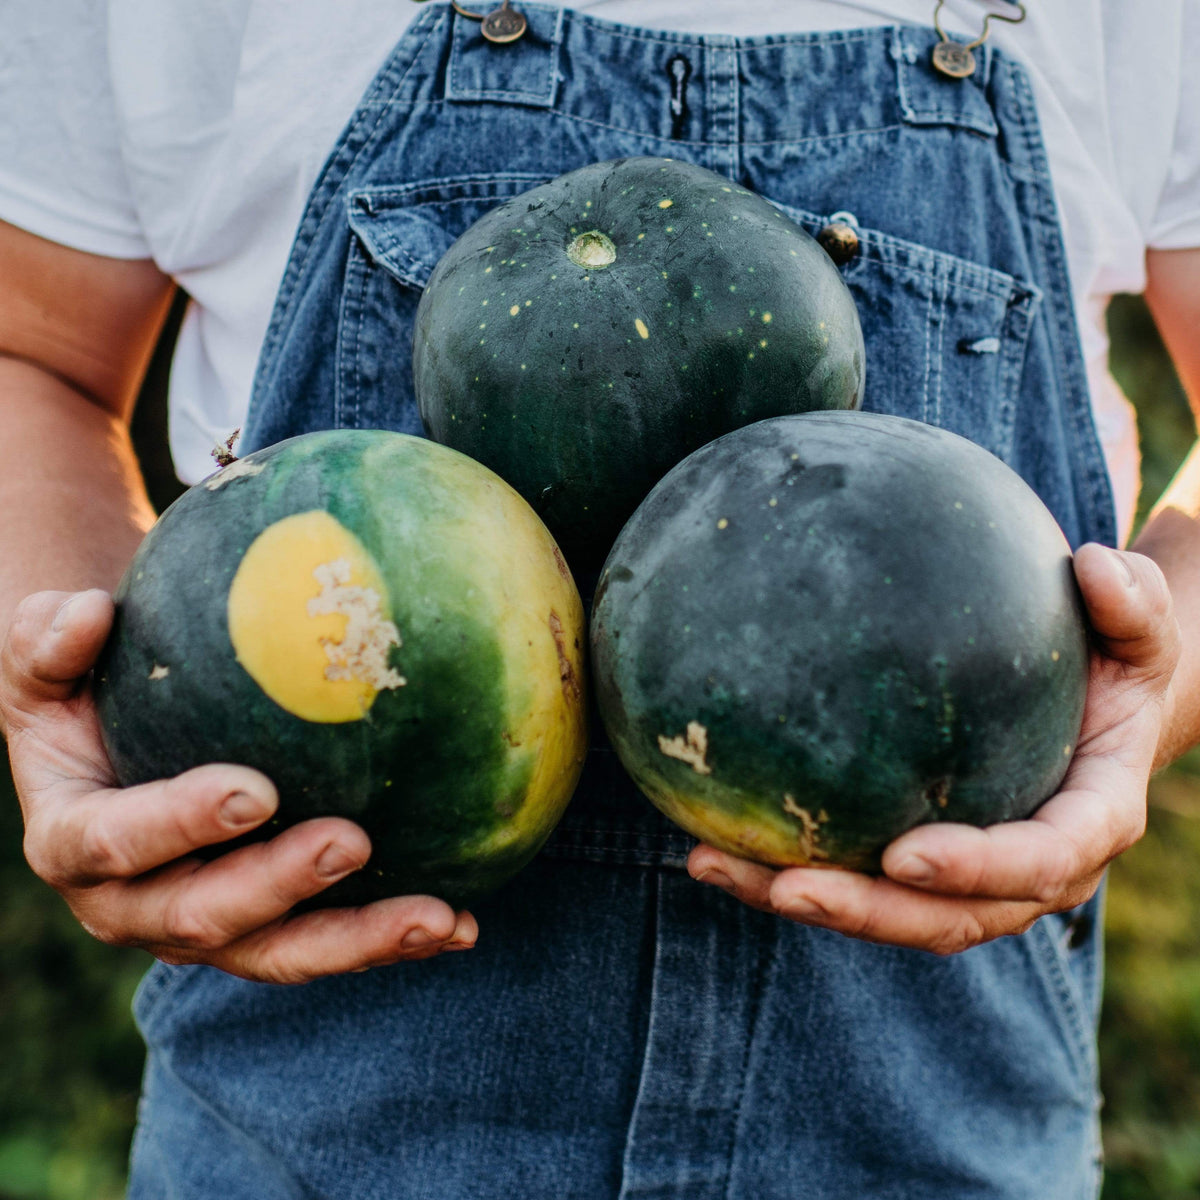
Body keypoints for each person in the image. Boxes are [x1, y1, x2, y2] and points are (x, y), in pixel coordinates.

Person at [1, 1, 1197, 1195]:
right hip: (320, 1096)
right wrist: (75, 671)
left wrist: (1149, 690)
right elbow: (32, 352)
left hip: (931, 1099)